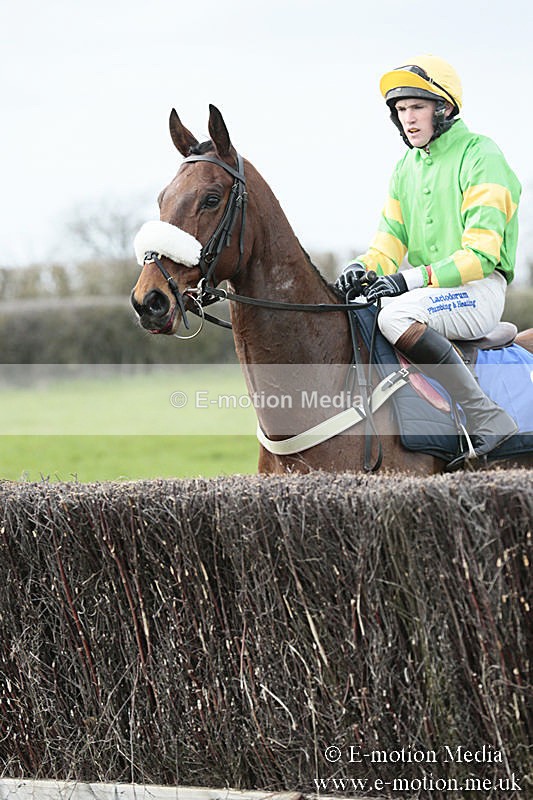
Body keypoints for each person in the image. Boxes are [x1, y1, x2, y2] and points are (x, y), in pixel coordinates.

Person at [336, 54, 521, 469]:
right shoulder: (405, 168)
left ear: (445, 108)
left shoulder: (482, 155)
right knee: (362, 310)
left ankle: (485, 416)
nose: (409, 119)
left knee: (393, 317)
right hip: (427, 293)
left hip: (478, 291)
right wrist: (361, 268)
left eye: (417, 107)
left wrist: (408, 280)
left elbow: (482, 253)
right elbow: (387, 247)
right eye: (401, 111)